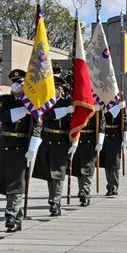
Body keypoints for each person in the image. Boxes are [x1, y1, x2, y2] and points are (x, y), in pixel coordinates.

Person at [0, 69, 42, 232]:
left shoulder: (33, 102)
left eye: (20, 83)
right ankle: (17, 218)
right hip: (5, 144)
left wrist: (32, 148)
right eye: (15, 83)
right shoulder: (5, 100)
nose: (17, 85)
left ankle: (10, 215)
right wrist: (25, 110)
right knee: (9, 183)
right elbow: (3, 117)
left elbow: (38, 126)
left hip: (22, 146)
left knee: (16, 182)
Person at [33, 73, 72, 216]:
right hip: (47, 139)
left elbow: (72, 125)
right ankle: (54, 199)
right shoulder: (46, 103)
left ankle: (55, 201)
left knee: (58, 173)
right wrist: (65, 111)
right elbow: (47, 116)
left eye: (57, 88)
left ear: (62, 90)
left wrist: (74, 142)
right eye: (53, 87)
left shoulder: (68, 103)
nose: (55, 90)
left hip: (61, 141)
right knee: (50, 174)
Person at [72, 104, 105, 206]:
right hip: (78, 139)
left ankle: (85, 193)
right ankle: (82, 190)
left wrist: (100, 141)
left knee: (88, 168)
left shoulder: (96, 107)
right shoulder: (78, 104)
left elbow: (101, 124)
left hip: (90, 140)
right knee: (79, 168)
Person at [102, 105, 127, 196]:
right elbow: (104, 118)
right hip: (106, 135)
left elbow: (125, 122)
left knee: (114, 163)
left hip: (115, 137)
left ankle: (114, 186)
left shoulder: (120, 108)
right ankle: (109, 186)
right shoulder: (104, 106)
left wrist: (125, 138)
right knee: (107, 163)